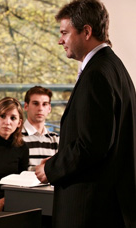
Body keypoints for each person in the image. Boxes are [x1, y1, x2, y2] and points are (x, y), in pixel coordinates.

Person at [35, 0, 136, 227]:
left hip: (90, 210)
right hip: (109, 205)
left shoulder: (96, 75)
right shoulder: (114, 67)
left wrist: (50, 169)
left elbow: (92, 146)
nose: (60, 40)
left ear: (87, 31)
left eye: (65, 33)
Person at [22, 86, 59, 170]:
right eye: (35, 103)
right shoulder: (16, 137)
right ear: (26, 106)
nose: (40, 108)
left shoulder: (56, 139)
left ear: (49, 108)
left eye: (44, 104)